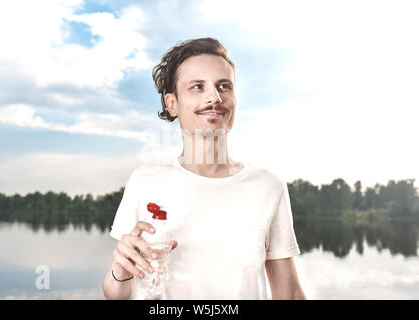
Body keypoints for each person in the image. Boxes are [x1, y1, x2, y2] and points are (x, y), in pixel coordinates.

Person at [102, 37, 306, 300]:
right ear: (171, 104)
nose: (214, 97)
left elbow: (288, 294)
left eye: (224, 86)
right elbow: (116, 294)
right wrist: (119, 272)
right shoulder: (145, 181)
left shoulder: (267, 187)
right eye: (197, 87)